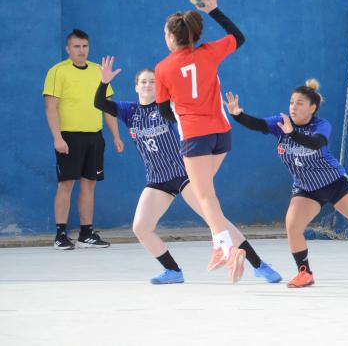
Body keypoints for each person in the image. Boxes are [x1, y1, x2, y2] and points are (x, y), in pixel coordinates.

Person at [95, 59, 281, 284]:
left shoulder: (167, 107)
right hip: (157, 180)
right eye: (143, 82)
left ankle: (259, 265)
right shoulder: (129, 111)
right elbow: (100, 103)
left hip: (185, 174)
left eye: (152, 82)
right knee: (141, 228)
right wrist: (104, 83)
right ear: (136, 87)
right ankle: (173, 271)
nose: (147, 85)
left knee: (217, 221)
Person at [224, 80, 348, 288]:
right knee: (292, 226)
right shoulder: (280, 123)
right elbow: (258, 124)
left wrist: (292, 133)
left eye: (299, 103)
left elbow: (317, 144)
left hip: (335, 184)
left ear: (312, 108)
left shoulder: (321, 125)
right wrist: (237, 114)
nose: (293, 106)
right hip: (306, 188)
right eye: (291, 102)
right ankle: (305, 273)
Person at [154, 0, 250, 280]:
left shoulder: (163, 68)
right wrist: (213, 11)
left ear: (172, 37)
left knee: (204, 195)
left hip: (195, 137)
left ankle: (226, 248)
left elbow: (163, 110)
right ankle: (217, 244)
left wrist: (182, 117)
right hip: (222, 134)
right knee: (207, 194)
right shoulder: (209, 52)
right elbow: (239, 37)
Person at [43, 29, 123, 250]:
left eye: (84, 46)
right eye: (76, 47)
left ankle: (86, 234)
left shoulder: (99, 71)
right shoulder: (58, 71)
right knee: (66, 185)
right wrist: (57, 137)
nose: (81, 50)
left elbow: (108, 108)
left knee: (89, 185)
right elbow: (51, 107)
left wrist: (116, 135)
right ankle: (60, 235)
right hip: (68, 137)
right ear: (68, 49)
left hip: (94, 137)